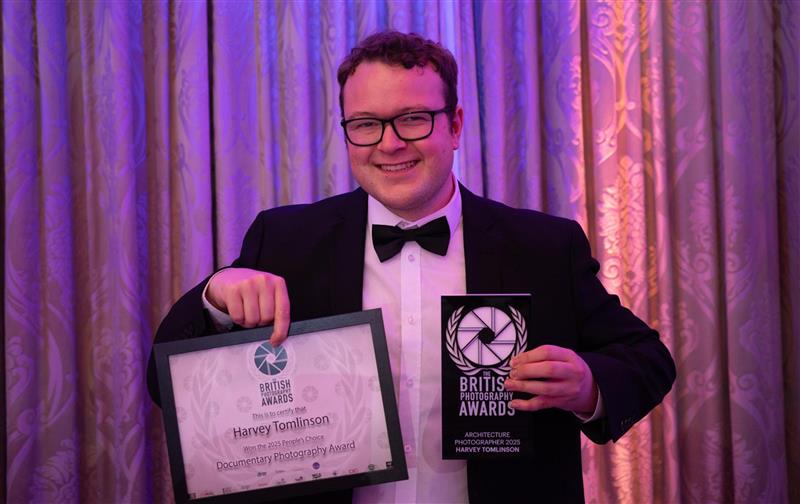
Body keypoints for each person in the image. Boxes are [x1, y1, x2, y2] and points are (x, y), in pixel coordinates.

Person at [148, 31, 675, 503]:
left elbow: (648, 359)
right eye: (366, 124)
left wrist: (587, 386)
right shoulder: (285, 240)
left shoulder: (543, 246)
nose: (390, 143)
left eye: (413, 119)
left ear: (455, 125)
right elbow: (166, 384)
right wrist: (215, 299)